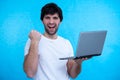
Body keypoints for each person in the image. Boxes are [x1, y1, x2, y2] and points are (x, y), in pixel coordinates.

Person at [23, 2, 88, 80]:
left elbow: (73, 74)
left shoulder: (66, 43)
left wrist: (78, 63)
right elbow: (30, 73)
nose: (51, 22)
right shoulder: (33, 41)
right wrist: (34, 41)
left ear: (60, 21)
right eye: (47, 17)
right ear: (42, 20)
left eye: (55, 18)